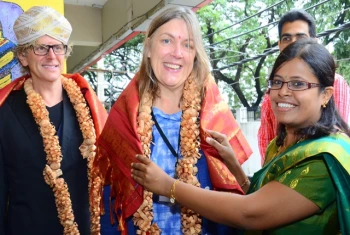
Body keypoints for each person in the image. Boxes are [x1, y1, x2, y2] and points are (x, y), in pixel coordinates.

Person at [131, 39, 350, 234]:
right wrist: (233, 165)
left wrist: (169, 186)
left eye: (298, 84)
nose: (283, 92)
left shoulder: (326, 158)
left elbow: (251, 213)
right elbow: (267, 199)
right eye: (277, 82)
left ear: (325, 94)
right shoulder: (280, 144)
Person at [93, 6, 252, 235]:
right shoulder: (124, 121)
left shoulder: (213, 119)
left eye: (187, 44)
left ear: (195, 55)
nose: (177, 53)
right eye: (167, 41)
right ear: (148, 48)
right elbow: (111, 203)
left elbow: (233, 198)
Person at [0, 6, 107, 235]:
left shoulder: (89, 106)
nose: (51, 56)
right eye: (41, 47)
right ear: (22, 56)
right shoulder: (4, 113)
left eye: (57, 47)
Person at [258, 9, 350, 163]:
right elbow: (266, 145)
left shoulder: (327, 155)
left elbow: (333, 127)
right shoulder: (272, 94)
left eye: (298, 84)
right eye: (287, 38)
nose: (294, 43)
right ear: (279, 44)